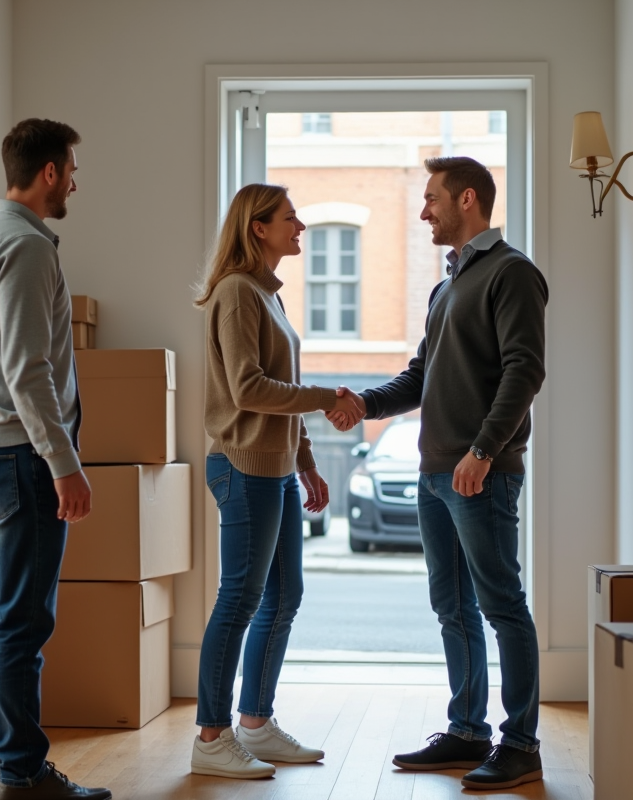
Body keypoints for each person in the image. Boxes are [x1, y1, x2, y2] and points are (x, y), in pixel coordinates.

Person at [330, 157, 548, 791]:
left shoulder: (513, 273)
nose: (424, 211)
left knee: (502, 605)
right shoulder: (445, 286)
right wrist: (364, 406)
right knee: (451, 607)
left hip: (481, 472)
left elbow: (524, 372)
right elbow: (421, 378)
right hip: (434, 473)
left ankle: (522, 742)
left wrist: (482, 451)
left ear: (468, 199)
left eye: (432, 199)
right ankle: (467, 729)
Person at [0, 118, 111, 800]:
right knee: (22, 619)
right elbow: (27, 369)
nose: (74, 180)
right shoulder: (28, 247)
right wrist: (64, 462)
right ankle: (22, 775)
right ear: (48, 172)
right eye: (70, 168)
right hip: (17, 456)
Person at [191, 183, 365, 779]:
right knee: (240, 598)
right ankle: (211, 737)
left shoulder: (267, 296)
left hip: (277, 465)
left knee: (283, 597)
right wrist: (328, 399)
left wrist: (308, 461)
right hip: (242, 464)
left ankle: (256, 725)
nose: (301, 228)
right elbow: (249, 389)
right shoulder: (238, 293)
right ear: (258, 227)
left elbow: (279, 384)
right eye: (291, 218)